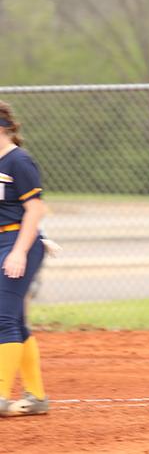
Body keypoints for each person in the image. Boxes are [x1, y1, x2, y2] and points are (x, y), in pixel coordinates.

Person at [0, 100, 49, 416]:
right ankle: (36, 397)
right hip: (3, 241)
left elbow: (36, 208)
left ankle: (1, 396)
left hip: (18, 242)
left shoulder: (19, 161)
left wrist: (20, 249)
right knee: (15, 320)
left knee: (2, 319)